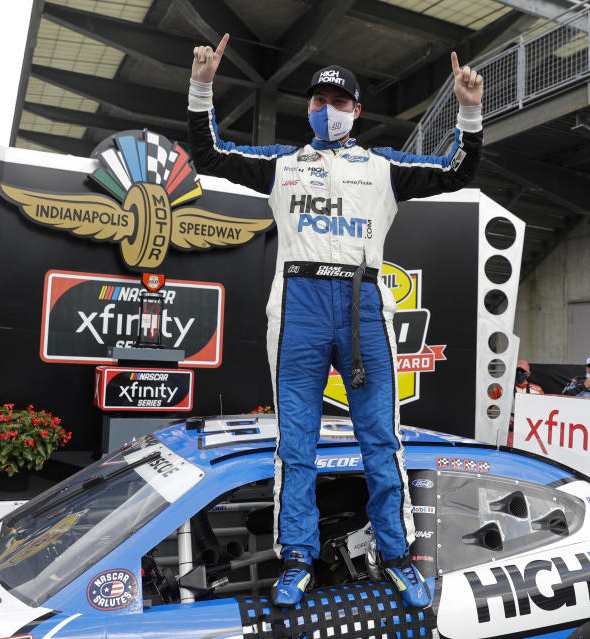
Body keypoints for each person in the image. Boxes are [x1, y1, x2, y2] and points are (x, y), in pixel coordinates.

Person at [188, 34, 483, 607]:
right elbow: (210, 156)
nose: (328, 111)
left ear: (357, 110)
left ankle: (397, 556)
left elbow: (457, 171)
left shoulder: (384, 167)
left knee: (380, 438)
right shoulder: (282, 165)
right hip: (297, 304)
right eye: (318, 102)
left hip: (362, 306)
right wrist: (202, 86)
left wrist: (468, 111)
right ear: (309, 109)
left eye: (339, 102)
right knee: (295, 443)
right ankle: (297, 558)